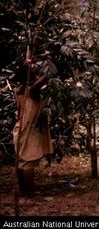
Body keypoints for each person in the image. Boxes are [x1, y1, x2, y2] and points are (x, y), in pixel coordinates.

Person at [13, 59, 53, 196]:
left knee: (21, 161)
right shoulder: (32, 90)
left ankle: (23, 190)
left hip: (21, 128)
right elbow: (47, 76)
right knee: (28, 162)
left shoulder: (20, 89)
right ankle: (29, 192)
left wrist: (28, 68)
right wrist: (46, 61)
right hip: (28, 129)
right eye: (32, 70)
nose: (35, 69)